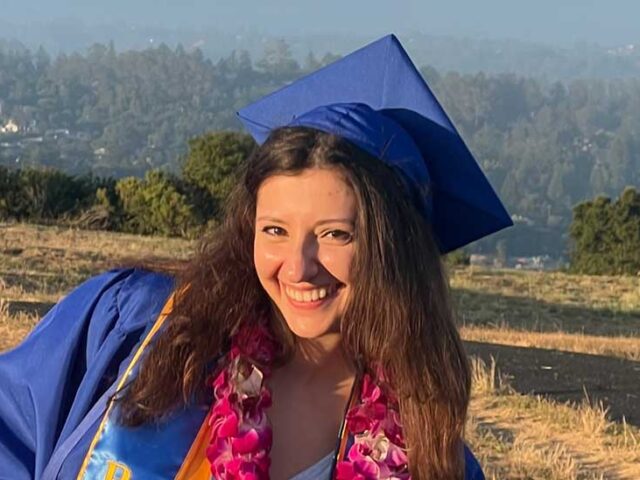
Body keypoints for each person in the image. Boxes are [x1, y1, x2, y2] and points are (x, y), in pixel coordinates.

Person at [0, 35, 512, 479]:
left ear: (394, 251)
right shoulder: (142, 325)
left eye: (335, 234)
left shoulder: (423, 450)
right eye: (275, 230)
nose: (298, 267)